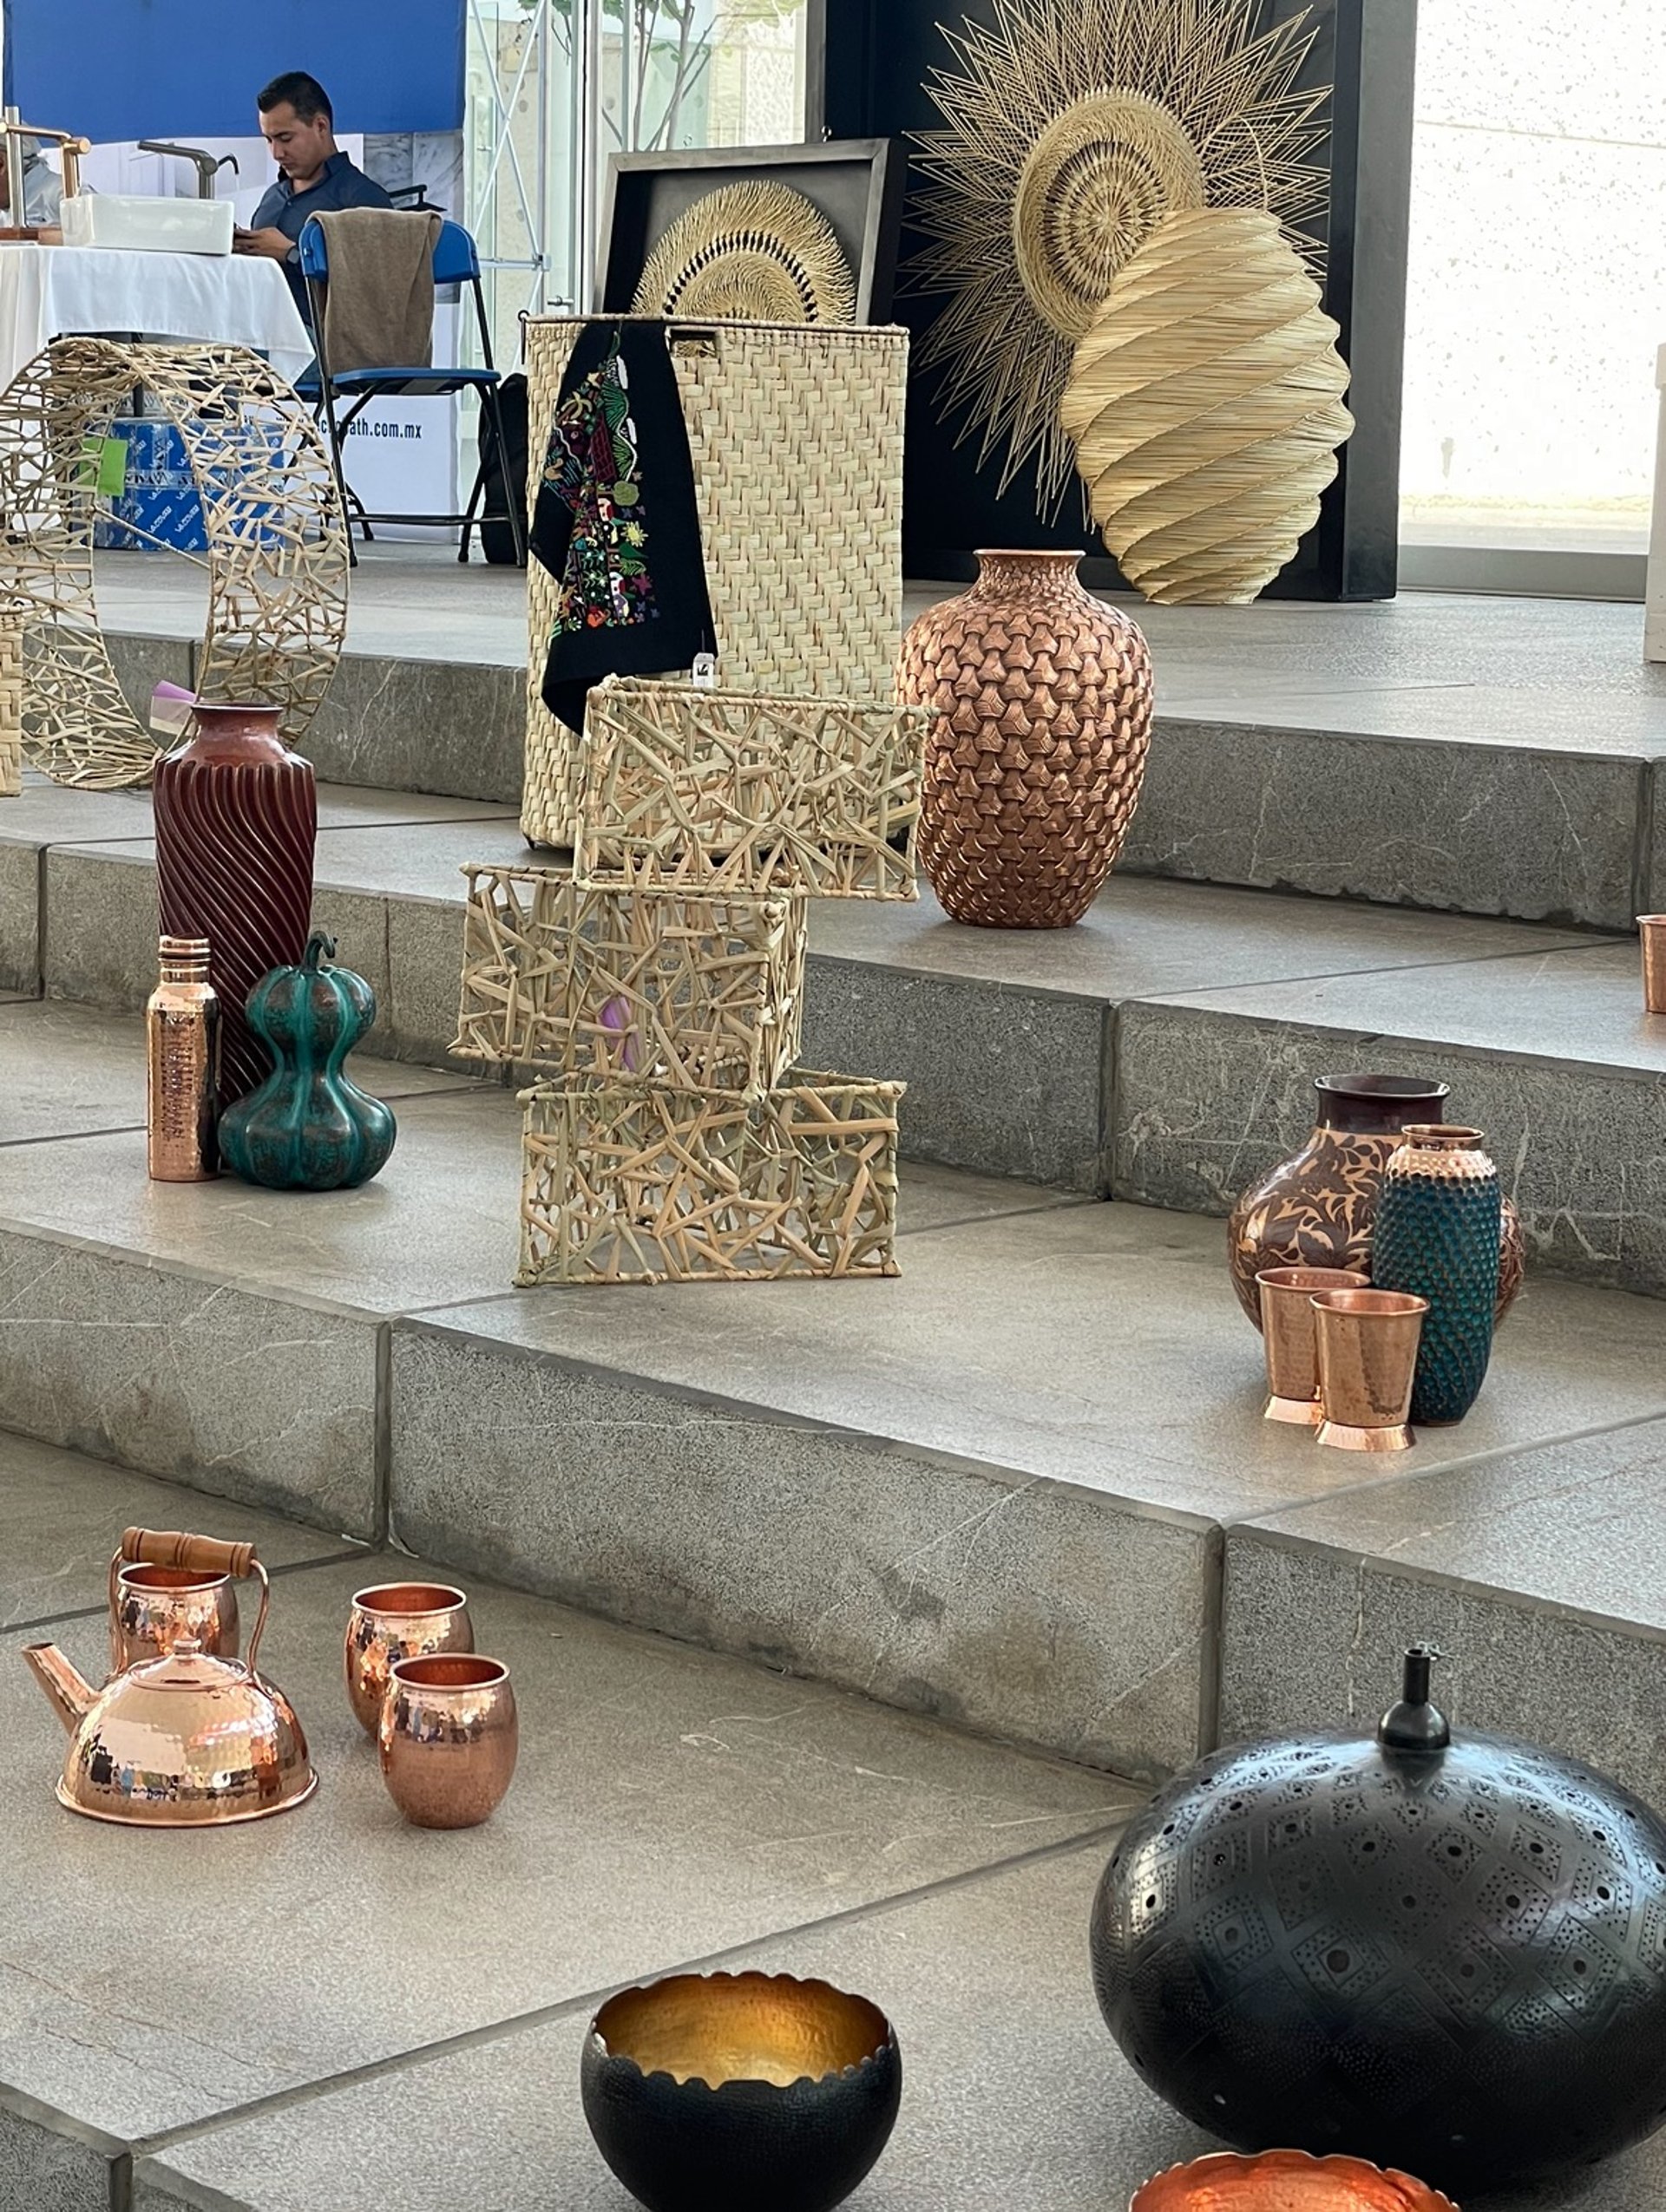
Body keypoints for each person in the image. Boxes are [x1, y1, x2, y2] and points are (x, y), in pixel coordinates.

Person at [233, 70, 390, 314]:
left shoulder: (363, 199)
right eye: (269, 140)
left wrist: (292, 254)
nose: (276, 153)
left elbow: (376, 292)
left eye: (285, 138)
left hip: (328, 346)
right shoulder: (272, 198)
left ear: (320, 126)